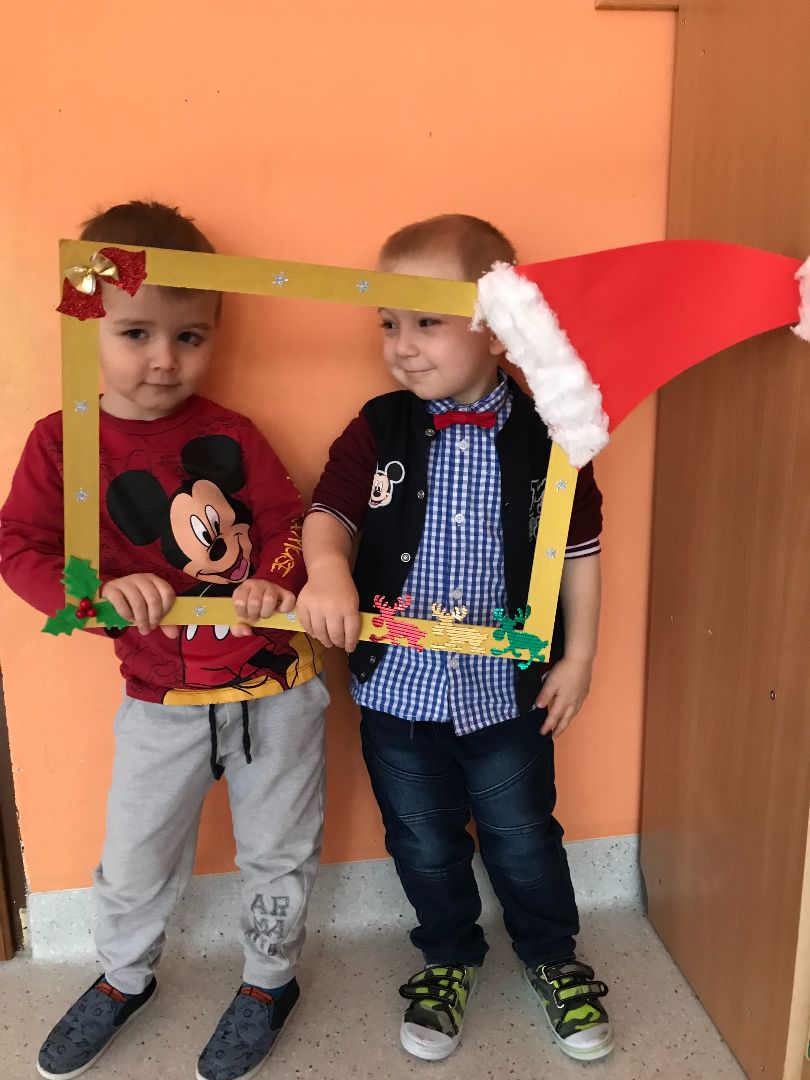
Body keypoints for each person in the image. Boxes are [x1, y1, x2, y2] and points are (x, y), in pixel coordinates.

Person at [0, 200, 328, 1080]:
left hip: (274, 687)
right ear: (84, 325)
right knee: (136, 855)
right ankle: (123, 975)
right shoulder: (61, 442)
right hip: (160, 695)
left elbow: (291, 522)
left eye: (190, 337)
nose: (163, 359)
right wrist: (96, 593)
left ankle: (269, 982)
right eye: (135, 332)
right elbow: (19, 547)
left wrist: (277, 580)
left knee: (278, 850)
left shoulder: (233, 433)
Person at [297, 213, 613, 1063]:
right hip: (396, 691)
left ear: (497, 324)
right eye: (387, 323)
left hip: (507, 694)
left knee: (523, 834)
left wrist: (580, 657)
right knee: (423, 840)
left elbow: (579, 555)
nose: (401, 346)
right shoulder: (379, 426)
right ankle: (446, 956)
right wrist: (326, 572)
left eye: (426, 321)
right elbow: (328, 514)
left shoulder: (556, 435)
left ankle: (552, 955)